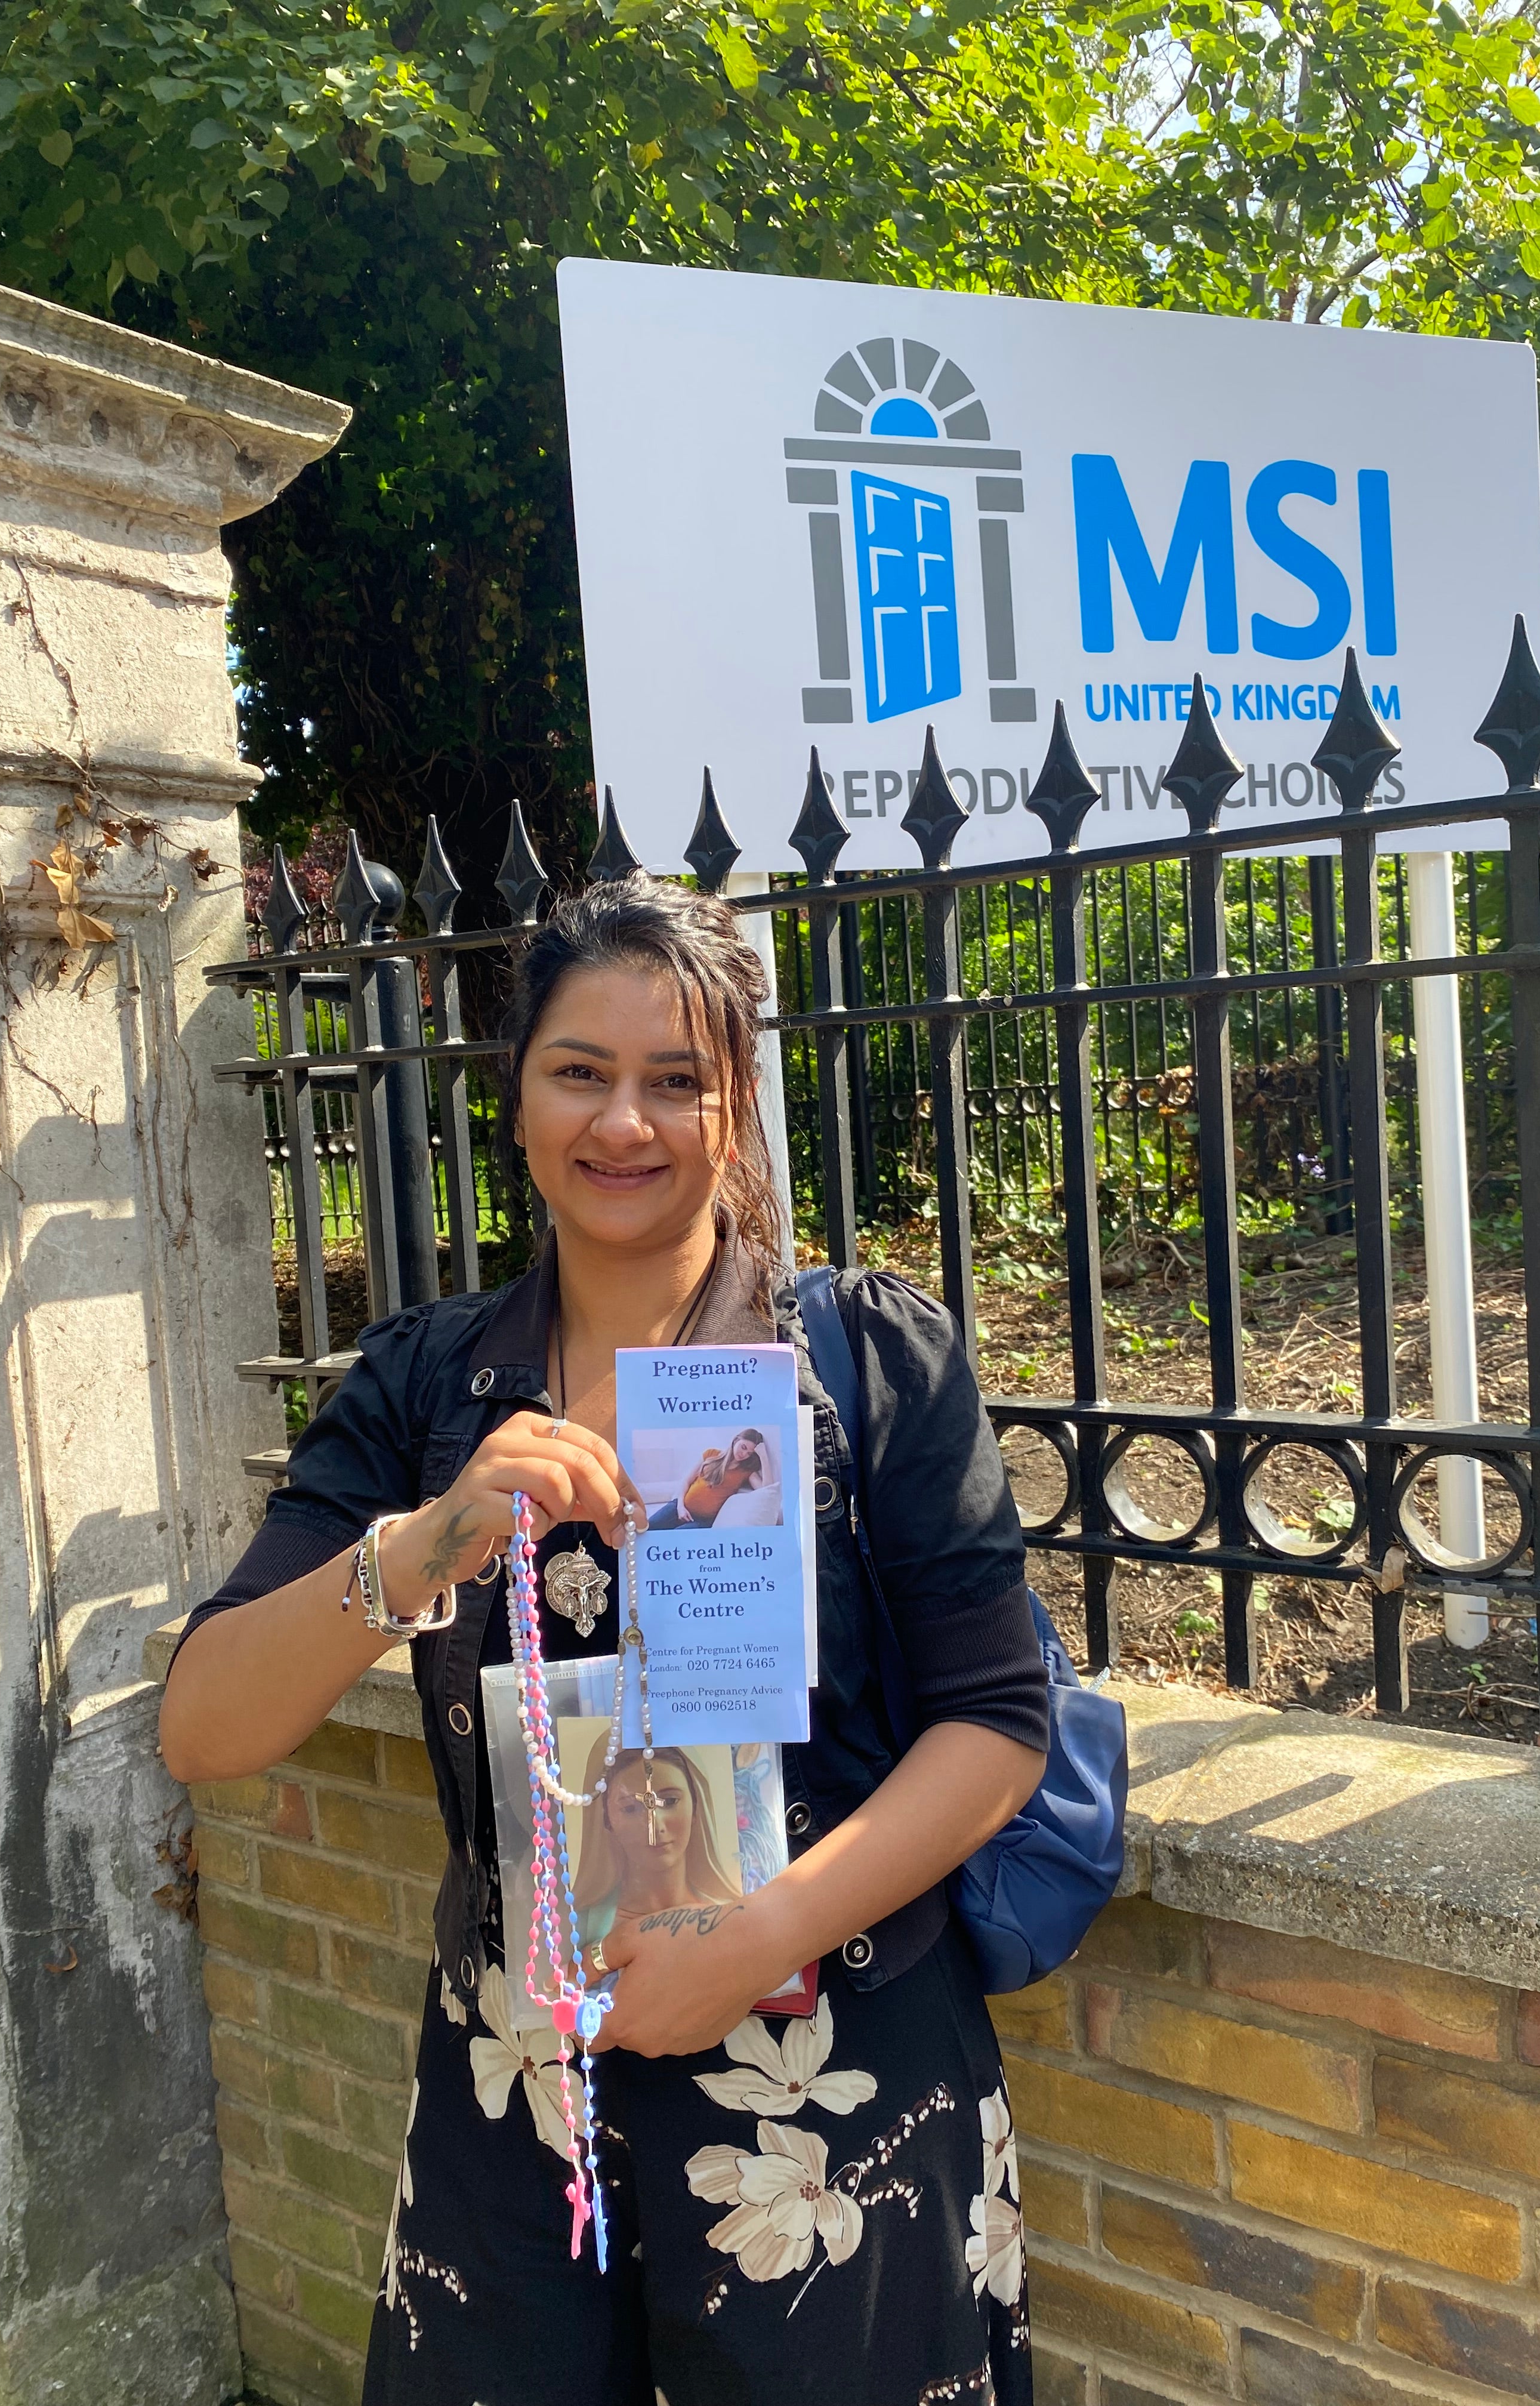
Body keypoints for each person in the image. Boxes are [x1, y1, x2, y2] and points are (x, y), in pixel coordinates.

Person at [159, 875, 1049, 2406]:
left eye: (675, 1080)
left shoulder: (864, 1364)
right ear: (515, 1099)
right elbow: (206, 1730)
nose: (623, 1122)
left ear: (736, 1109)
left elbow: (996, 1723)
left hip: (831, 2087)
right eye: (581, 1071)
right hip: (523, 2097)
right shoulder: (431, 1386)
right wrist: (429, 1540)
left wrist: (760, 1938)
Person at [571, 1742, 742, 1947]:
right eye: (630, 1808)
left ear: (696, 1807)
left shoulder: (730, 1916)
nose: (655, 1826)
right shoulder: (576, 1927)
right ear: (607, 1820)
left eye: (669, 1802)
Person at [647, 1427, 772, 1528]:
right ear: (736, 1440)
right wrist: (680, 1507)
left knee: (676, 1539)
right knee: (648, 1527)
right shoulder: (711, 1454)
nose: (744, 1454)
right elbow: (686, 1481)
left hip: (702, 1521)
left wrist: (763, 1456)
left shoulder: (746, 1472)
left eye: (750, 1453)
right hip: (679, 1507)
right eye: (743, 1447)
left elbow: (767, 1491)